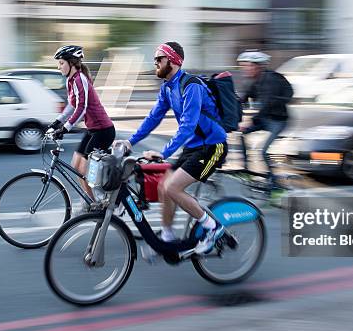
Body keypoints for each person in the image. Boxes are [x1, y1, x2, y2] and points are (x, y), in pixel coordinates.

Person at [123, 42, 228, 255]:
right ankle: (168, 238)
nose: (155, 62)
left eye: (159, 59)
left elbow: (188, 125)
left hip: (212, 146)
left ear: (173, 61)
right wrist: (129, 142)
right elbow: (153, 118)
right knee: (163, 186)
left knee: (172, 188)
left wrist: (164, 153)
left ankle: (213, 227)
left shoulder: (191, 86)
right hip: (193, 148)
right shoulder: (167, 88)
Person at [47, 45, 115, 212]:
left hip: (104, 130)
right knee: (76, 164)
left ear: (71, 63)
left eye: (61, 63)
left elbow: (81, 107)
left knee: (85, 169)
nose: (59, 66)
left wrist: (66, 128)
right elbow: (72, 104)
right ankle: (91, 201)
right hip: (93, 129)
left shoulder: (80, 79)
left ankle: (104, 200)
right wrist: (57, 122)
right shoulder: (71, 80)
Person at [236, 50, 293, 190]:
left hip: (278, 121)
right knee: (241, 133)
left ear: (258, 66)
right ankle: (246, 170)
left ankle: (275, 184)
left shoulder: (270, 80)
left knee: (263, 151)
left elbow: (267, 105)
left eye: (247, 66)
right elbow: (242, 99)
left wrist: (249, 121)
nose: (245, 69)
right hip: (266, 119)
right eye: (243, 66)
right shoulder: (255, 81)